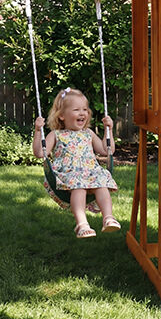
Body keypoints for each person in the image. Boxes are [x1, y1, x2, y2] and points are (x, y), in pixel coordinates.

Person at [33, 87, 120, 238]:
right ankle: (82, 224)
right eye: (76, 110)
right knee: (78, 187)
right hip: (69, 175)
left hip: (91, 172)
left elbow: (107, 151)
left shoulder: (89, 133)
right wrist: (37, 132)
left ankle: (108, 218)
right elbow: (40, 153)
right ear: (61, 116)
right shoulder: (56, 134)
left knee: (102, 185)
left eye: (85, 110)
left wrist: (109, 130)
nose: (82, 113)